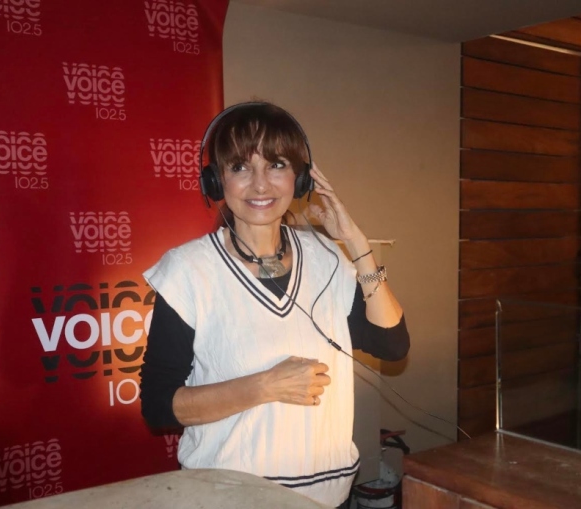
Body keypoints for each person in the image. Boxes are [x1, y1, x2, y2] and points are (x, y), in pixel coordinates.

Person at [139, 102, 409, 508]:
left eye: (276, 165)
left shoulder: (326, 259)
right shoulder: (188, 270)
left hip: (328, 497)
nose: (260, 185)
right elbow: (159, 405)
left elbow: (392, 344)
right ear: (217, 181)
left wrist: (356, 244)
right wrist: (264, 386)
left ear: (299, 179)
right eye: (240, 167)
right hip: (229, 499)